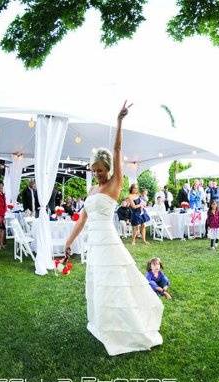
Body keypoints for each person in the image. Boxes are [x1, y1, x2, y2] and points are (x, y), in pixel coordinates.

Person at [64, 101, 163, 356]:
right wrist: (69, 241)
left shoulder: (115, 184)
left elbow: (118, 149)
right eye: (94, 170)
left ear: (108, 169)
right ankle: (106, 325)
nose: (97, 174)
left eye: (100, 170)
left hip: (108, 241)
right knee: (100, 285)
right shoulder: (92, 189)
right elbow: (82, 219)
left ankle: (130, 327)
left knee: (117, 283)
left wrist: (119, 121)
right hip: (94, 244)